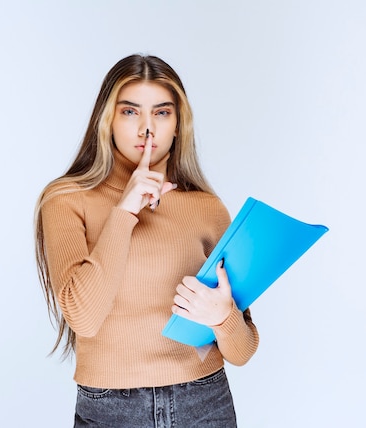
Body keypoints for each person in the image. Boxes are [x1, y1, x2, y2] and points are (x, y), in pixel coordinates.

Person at [34, 54, 259, 427]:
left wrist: (223, 318)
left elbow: (243, 349)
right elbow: (83, 319)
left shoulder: (206, 207)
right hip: (111, 410)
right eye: (130, 112)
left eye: (162, 113)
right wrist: (123, 211)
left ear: (178, 124)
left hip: (205, 402)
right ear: (106, 120)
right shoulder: (66, 199)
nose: (146, 129)